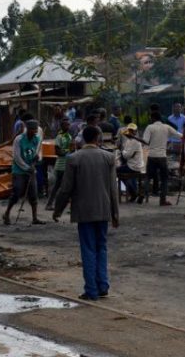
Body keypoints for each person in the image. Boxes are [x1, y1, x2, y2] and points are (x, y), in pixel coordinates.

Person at [53, 126, 120, 301]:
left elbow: (66, 188)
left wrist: (57, 210)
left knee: (88, 249)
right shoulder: (108, 157)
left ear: (83, 139)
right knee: (102, 248)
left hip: (84, 212)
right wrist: (115, 214)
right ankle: (103, 286)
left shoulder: (74, 158)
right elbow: (114, 189)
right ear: (98, 138)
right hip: (104, 210)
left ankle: (91, 290)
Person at [3, 120, 44, 226]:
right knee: (16, 192)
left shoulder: (37, 139)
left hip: (31, 169)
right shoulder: (19, 139)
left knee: (33, 194)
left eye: (35, 130)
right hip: (19, 171)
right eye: (32, 130)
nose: (34, 132)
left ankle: (35, 217)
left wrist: (37, 158)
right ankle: (7, 214)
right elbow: (16, 157)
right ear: (27, 129)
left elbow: (38, 152)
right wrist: (26, 167)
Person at [143, 111, 182, 206]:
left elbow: (145, 141)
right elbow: (180, 135)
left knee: (148, 177)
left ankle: (143, 195)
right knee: (164, 178)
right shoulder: (167, 127)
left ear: (152, 118)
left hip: (152, 155)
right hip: (162, 156)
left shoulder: (150, 127)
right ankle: (162, 200)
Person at [46, 118, 72, 210]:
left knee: (65, 185)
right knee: (58, 185)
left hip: (68, 164)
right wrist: (67, 152)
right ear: (61, 126)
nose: (68, 126)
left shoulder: (69, 136)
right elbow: (57, 151)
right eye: (66, 125)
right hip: (61, 165)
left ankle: (55, 204)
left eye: (68, 125)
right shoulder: (59, 137)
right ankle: (50, 204)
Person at [117, 124, 144, 203]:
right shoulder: (130, 141)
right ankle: (133, 192)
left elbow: (126, 155)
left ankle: (133, 193)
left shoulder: (135, 142)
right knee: (121, 173)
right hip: (132, 164)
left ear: (135, 132)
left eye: (132, 131)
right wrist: (124, 152)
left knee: (115, 171)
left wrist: (123, 152)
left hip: (133, 166)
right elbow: (126, 154)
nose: (130, 133)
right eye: (130, 131)